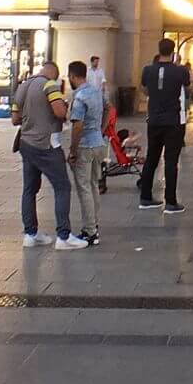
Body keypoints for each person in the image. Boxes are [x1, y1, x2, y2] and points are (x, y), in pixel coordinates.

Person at [12, 58, 84, 248]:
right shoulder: (50, 86)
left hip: (26, 143)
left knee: (29, 189)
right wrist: (64, 106)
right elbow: (60, 113)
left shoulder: (23, 86)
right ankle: (63, 236)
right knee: (62, 187)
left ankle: (30, 234)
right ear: (55, 74)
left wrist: (32, 118)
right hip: (46, 145)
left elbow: (15, 119)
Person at [138, 39, 190, 214]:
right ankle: (171, 201)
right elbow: (186, 85)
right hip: (172, 120)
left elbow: (143, 89)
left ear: (159, 50)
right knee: (171, 160)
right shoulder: (180, 71)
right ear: (173, 52)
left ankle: (145, 197)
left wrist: (154, 95)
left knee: (151, 157)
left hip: (154, 119)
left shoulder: (148, 70)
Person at [65, 59, 107, 246]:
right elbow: (110, 108)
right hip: (98, 143)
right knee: (93, 185)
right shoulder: (97, 91)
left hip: (85, 146)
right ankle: (94, 225)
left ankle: (89, 231)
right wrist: (101, 129)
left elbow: (77, 125)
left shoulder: (79, 97)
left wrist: (73, 150)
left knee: (84, 188)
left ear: (73, 76)